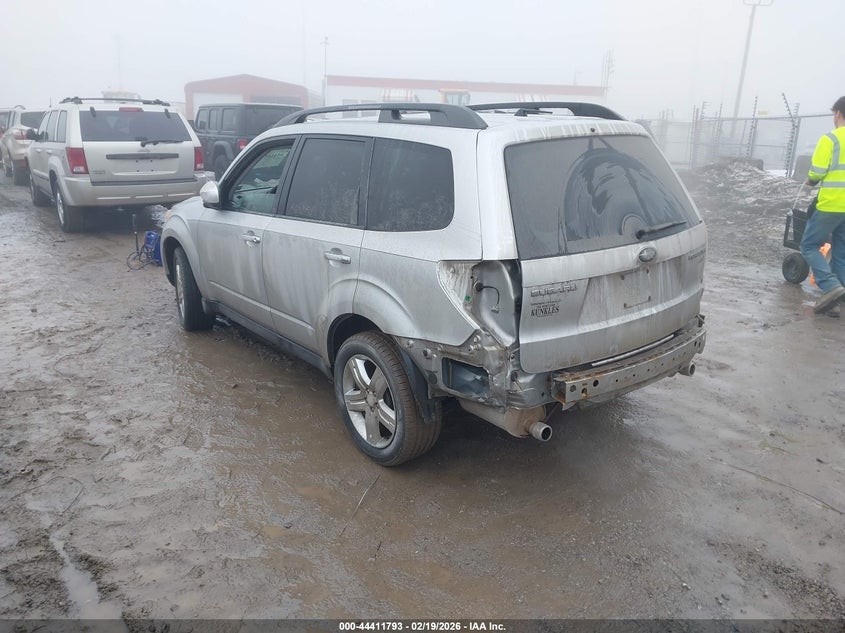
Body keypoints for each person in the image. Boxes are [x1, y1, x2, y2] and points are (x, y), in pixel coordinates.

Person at [801, 96, 845, 316]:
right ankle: (838, 298)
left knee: (808, 245)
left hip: (831, 204)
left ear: (837, 113)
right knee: (841, 251)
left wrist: (811, 179)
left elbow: (817, 172)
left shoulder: (831, 140)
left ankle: (830, 286)